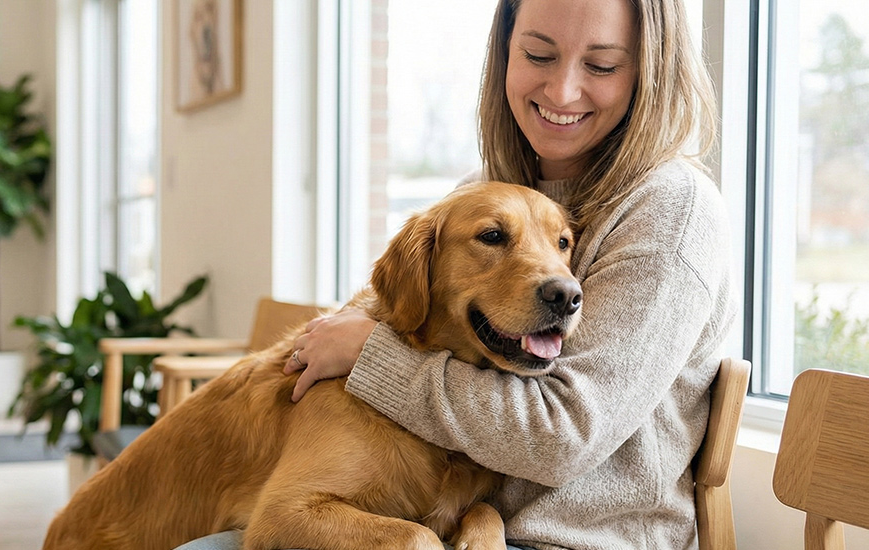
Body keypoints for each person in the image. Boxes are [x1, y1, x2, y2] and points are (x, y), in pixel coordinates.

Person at [178, 0, 731, 548]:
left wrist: (370, 355)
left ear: (651, 70)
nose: (562, 91)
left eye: (602, 65)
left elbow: (562, 438)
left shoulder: (672, 211)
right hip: (458, 517)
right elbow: (394, 314)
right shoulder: (488, 185)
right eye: (538, 54)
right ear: (504, 53)